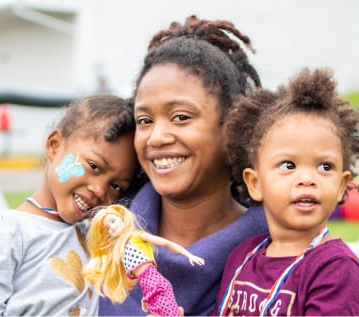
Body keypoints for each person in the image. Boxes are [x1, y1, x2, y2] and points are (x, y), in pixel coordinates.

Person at [98, 15, 268, 316]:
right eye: (145, 121)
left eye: (181, 117)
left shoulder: (283, 249)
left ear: (231, 125)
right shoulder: (103, 234)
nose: (157, 137)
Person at [0, 95, 139, 316]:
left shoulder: (95, 239)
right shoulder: (7, 232)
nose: (100, 190)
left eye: (116, 186)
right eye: (94, 166)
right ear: (54, 146)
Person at [214, 68, 359, 316]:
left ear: (342, 185)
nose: (307, 179)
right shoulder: (242, 256)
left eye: (324, 166)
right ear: (255, 183)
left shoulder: (336, 268)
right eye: (288, 165)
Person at [83, 204, 205, 316]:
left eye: (113, 221)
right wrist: (146, 296)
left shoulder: (137, 236)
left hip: (156, 284)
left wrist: (189, 255)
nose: (112, 227)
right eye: (108, 229)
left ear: (122, 218)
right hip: (148, 287)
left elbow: (166, 243)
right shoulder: (120, 248)